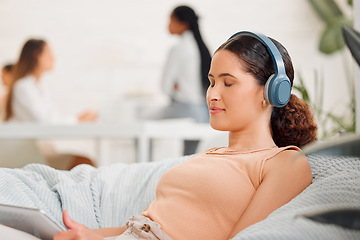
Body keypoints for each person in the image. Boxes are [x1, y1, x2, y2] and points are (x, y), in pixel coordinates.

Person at [53, 31, 318, 240]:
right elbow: (141, 228)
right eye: (212, 81)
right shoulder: (210, 156)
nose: (213, 94)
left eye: (228, 82)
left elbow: (246, 237)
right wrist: (88, 234)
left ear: (272, 92)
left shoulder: (284, 163)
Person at [3, 39, 97, 170]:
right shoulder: (24, 87)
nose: (53, 57)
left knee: (85, 163)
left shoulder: (37, 86)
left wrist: (78, 119)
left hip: (39, 147)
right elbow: (45, 122)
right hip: (27, 151)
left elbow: (51, 119)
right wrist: (77, 120)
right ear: (37, 55)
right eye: (49, 53)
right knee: (84, 164)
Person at [157, 5, 212, 155]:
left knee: (143, 119)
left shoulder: (179, 48)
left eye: (171, 21)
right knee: (190, 155)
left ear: (183, 24)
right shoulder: (202, 48)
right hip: (203, 112)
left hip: (183, 108)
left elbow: (165, 86)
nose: (168, 25)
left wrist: (175, 90)